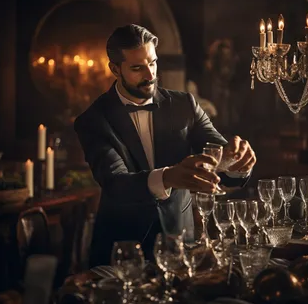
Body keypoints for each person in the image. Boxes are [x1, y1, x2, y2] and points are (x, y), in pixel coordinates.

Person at [74, 24, 256, 267]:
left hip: (181, 243)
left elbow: (218, 152)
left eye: (153, 63)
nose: (149, 75)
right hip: (123, 249)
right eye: (137, 68)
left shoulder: (185, 105)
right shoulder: (93, 120)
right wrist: (169, 177)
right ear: (115, 69)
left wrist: (237, 162)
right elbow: (116, 183)